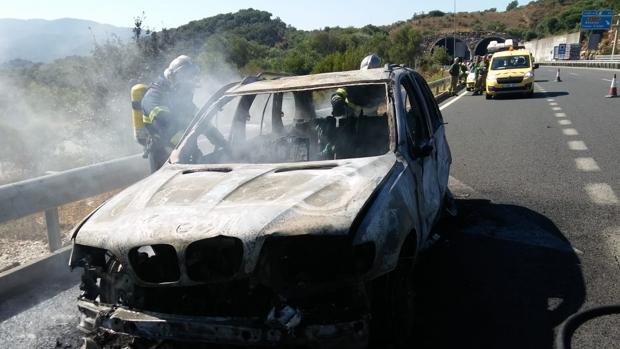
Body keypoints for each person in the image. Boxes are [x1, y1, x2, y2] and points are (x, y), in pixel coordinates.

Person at [141, 55, 201, 172]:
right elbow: (166, 129)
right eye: (186, 77)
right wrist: (189, 147)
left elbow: (202, 120)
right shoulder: (153, 98)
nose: (188, 82)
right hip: (162, 156)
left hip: (183, 151)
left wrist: (221, 141)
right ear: (173, 77)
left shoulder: (177, 96)